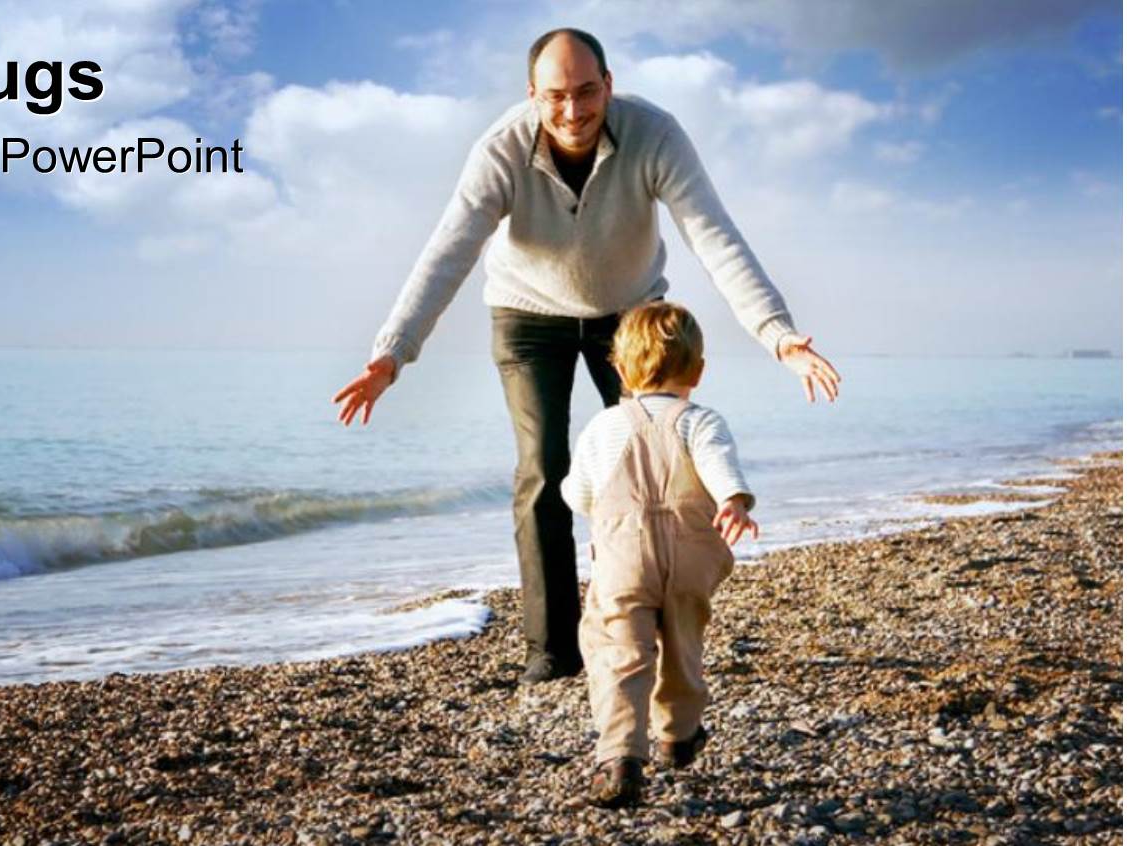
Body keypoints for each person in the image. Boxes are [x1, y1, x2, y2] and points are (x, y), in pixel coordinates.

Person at [332, 27, 839, 685]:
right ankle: (552, 650)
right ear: (531, 95)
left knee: (651, 468)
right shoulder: (502, 149)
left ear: (609, 84)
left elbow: (714, 236)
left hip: (628, 316)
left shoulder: (654, 135)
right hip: (527, 315)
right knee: (544, 467)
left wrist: (777, 333)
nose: (572, 112)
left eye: (586, 92)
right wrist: (392, 353)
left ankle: (642, 624)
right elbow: (448, 252)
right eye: (556, 97)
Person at [561, 301, 756, 808]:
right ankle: (678, 734)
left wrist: (593, 506)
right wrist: (733, 501)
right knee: (683, 643)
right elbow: (719, 466)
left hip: (624, 560)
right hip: (691, 557)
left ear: (620, 370)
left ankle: (621, 757)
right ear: (699, 370)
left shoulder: (603, 427)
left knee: (620, 651)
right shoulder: (701, 421)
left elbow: (577, 494)